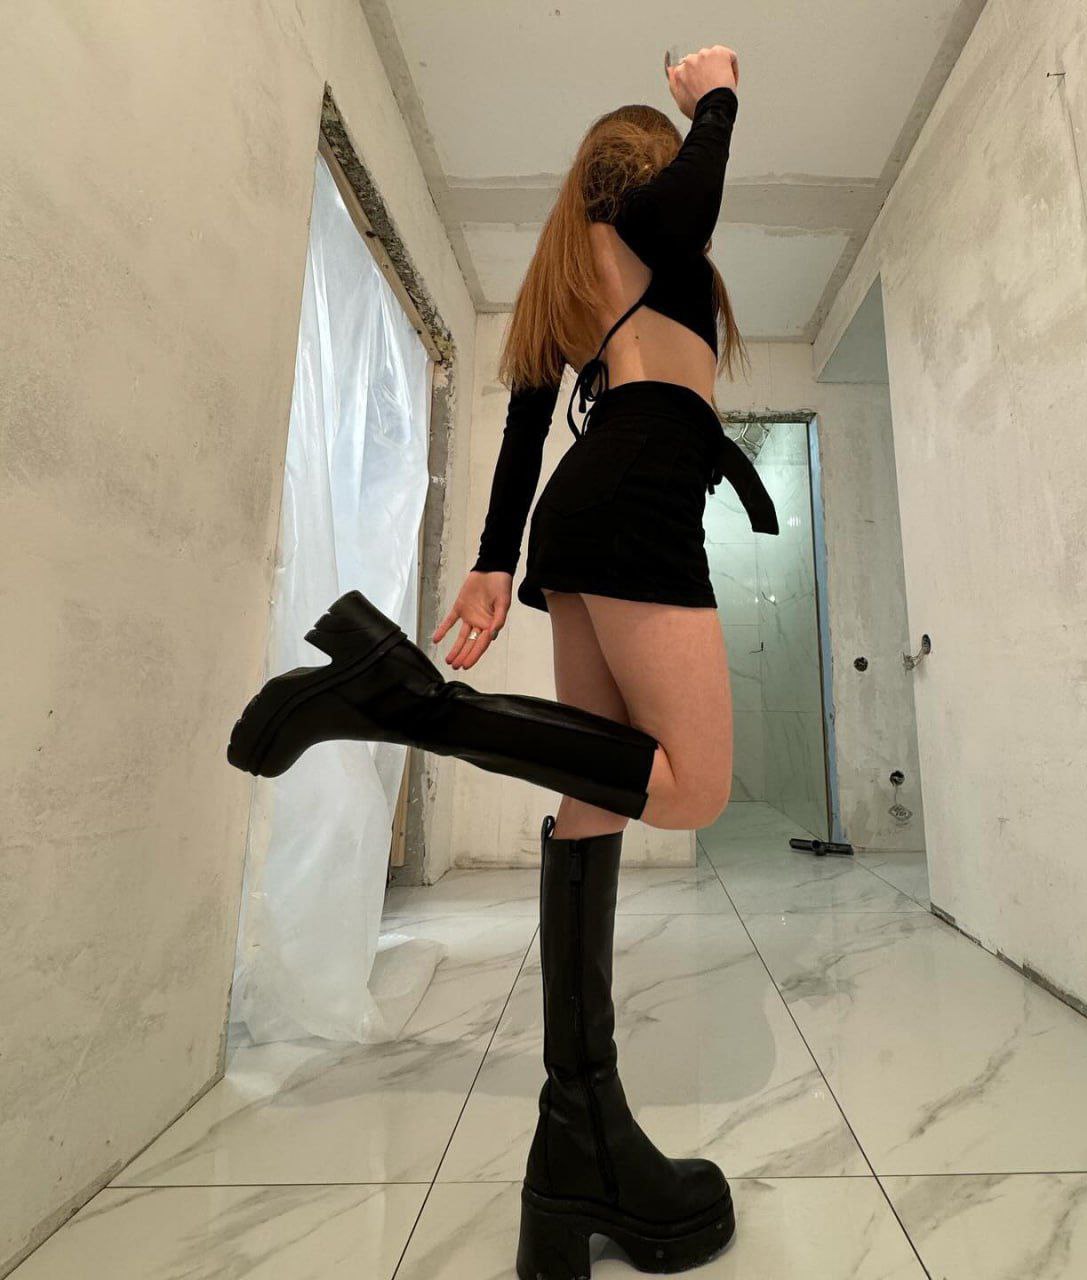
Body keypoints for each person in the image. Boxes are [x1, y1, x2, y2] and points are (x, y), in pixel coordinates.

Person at [226, 44, 776, 1278]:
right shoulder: (652, 219)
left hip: (595, 497)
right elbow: (688, 204)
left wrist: (489, 561)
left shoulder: (578, 265)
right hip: (639, 492)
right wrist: (715, 97)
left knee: (593, 800)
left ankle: (576, 1141)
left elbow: (530, 421)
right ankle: (406, 701)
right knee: (691, 784)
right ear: (638, 169)